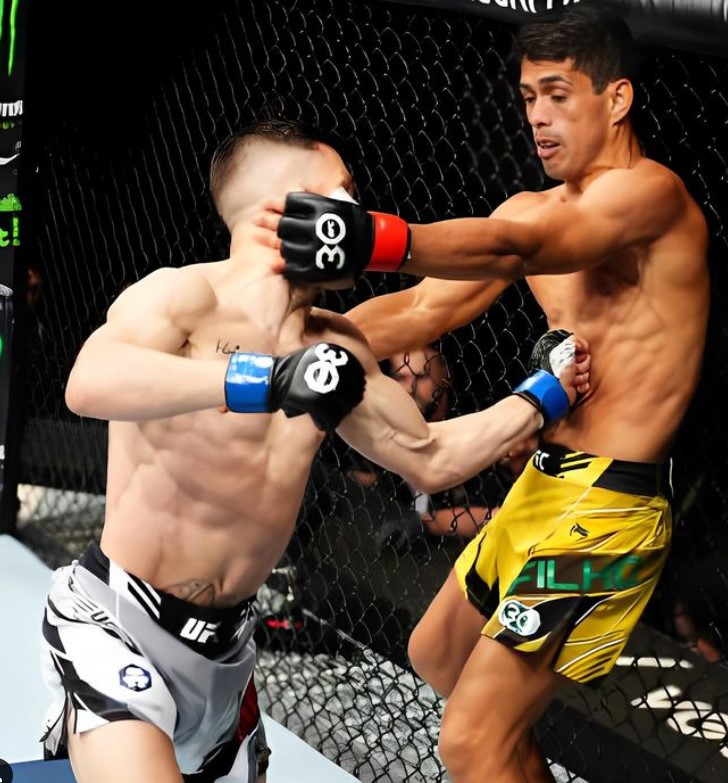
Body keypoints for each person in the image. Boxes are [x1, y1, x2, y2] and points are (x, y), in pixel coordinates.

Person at [39, 119, 590, 783]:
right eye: (343, 192)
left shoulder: (337, 346)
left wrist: (543, 394)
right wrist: (266, 380)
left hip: (225, 658)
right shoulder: (186, 296)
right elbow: (89, 383)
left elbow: (428, 455)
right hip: (117, 621)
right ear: (286, 208)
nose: (362, 213)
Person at [267, 7, 710, 782]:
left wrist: (371, 237)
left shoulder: (652, 199)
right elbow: (420, 309)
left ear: (615, 99)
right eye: (527, 97)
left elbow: (523, 247)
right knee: (436, 653)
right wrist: (284, 340)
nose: (536, 116)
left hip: (609, 509)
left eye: (557, 95)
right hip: (542, 488)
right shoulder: (529, 207)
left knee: (470, 742)